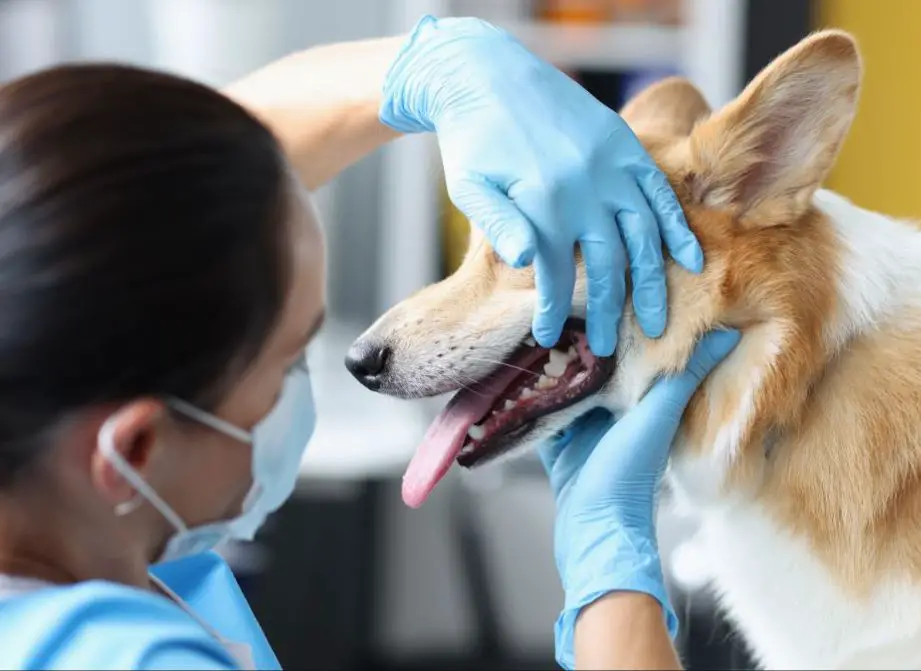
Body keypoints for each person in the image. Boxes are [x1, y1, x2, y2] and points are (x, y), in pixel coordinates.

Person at [0, 14, 737, 671]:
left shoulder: (93, 539)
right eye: (290, 360)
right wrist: (611, 575)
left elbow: (137, 204)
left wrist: (448, 64)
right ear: (132, 451)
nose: (314, 381)